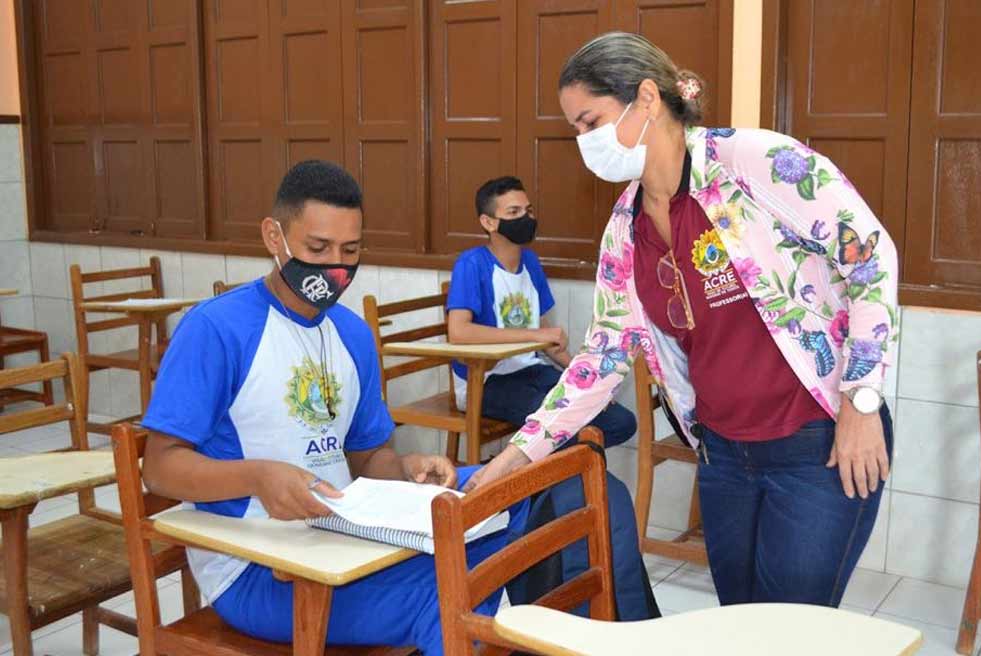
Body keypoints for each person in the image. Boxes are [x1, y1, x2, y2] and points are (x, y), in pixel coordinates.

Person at [466, 32, 899, 609]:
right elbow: (602, 356)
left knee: (792, 631)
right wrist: (516, 455)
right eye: (574, 129)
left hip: (815, 442)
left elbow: (870, 257)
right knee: (737, 623)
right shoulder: (625, 228)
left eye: (590, 121)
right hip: (723, 455)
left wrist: (862, 402)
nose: (584, 142)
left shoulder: (757, 163)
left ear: (647, 98)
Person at [140, 160, 528, 655]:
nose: (335, 267)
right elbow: (159, 467)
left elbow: (367, 457)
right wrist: (258, 476)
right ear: (273, 237)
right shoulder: (217, 329)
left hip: (344, 539)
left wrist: (406, 470)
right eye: (318, 249)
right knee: (451, 597)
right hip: (256, 568)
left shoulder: (351, 334)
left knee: (510, 492)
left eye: (350, 250)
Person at [446, 176, 637, 449]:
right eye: (513, 212)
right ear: (488, 222)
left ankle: (540, 479)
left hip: (532, 371)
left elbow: (547, 339)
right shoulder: (471, 264)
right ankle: (541, 484)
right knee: (564, 428)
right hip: (486, 383)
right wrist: (536, 334)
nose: (525, 218)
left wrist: (584, 379)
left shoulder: (530, 262)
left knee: (619, 420)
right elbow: (459, 332)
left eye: (529, 211)